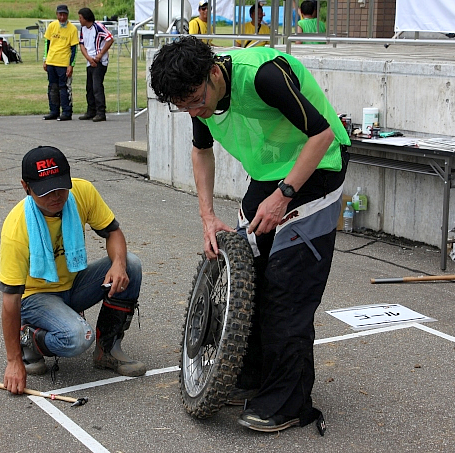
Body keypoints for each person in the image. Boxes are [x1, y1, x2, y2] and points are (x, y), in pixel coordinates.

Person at [149, 36, 349, 433]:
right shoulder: (198, 95)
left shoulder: (263, 76)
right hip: (268, 172)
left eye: (194, 100)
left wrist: (283, 196)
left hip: (318, 168)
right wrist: (207, 216)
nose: (194, 110)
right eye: (183, 106)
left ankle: (288, 401)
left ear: (213, 72)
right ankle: (252, 375)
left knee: (287, 289)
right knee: (250, 280)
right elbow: (200, 150)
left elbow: (322, 135)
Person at [0, 146, 146, 395]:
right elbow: (10, 300)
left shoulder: (82, 192)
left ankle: (107, 352)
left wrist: (118, 264)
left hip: (74, 284)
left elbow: (113, 232)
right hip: (35, 297)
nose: (56, 196)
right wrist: (13, 361)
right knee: (78, 337)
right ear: (26, 186)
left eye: (60, 186)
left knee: (131, 264)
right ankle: (30, 338)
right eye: (46, 191)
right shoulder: (16, 228)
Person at [42, 4, 79, 121]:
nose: (62, 17)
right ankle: (54, 110)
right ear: (56, 14)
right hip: (51, 60)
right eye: (60, 14)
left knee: (64, 87)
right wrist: (45, 59)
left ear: (67, 15)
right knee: (52, 87)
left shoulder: (72, 29)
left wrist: (71, 65)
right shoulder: (52, 26)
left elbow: (74, 49)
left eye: (64, 15)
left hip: (63, 63)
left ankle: (67, 112)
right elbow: (47, 43)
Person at [77, 8, 113, 123]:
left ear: (86, 18)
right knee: (89, 87)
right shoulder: (83, 28)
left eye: (81, 17)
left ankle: (101, 112)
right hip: (90, 60)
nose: (79, 20)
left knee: (97, 86)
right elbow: (82, 44)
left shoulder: (98, 27)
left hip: (99, 61)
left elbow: (110, 39)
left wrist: (99, 55)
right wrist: (88, 58)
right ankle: (91, 110)